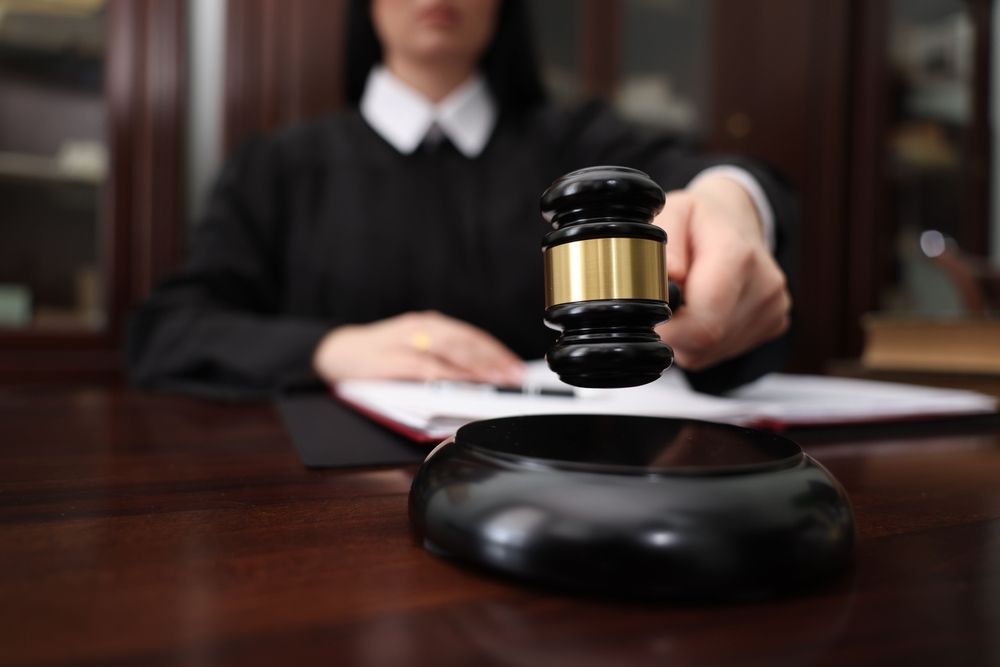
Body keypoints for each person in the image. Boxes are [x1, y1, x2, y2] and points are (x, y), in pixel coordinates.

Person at [128, 0, 793, 398]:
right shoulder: (277, 166)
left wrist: (732, 201)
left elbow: (714, 176)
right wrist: (332, 348)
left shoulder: (575, 143)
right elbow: (170, 328)